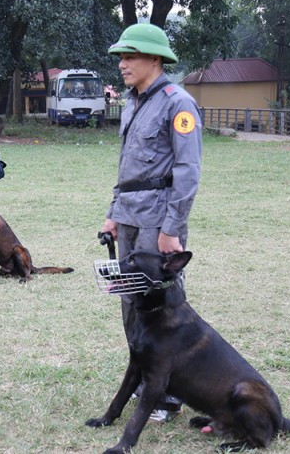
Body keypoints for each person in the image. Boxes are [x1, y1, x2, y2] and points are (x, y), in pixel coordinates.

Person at [99, 23, 202, 423]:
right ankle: (144, 380)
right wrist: (112, 212)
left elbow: (187, 171)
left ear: (154, 59)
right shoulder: (132, 101)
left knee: (164, 308)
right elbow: (128, 167)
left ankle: (169, 393)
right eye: (121, 57)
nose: (122, 64)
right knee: (130, 301)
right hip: (128, 215)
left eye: (130, 56)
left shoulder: (179, 104)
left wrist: (172, 229)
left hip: (158, 220)